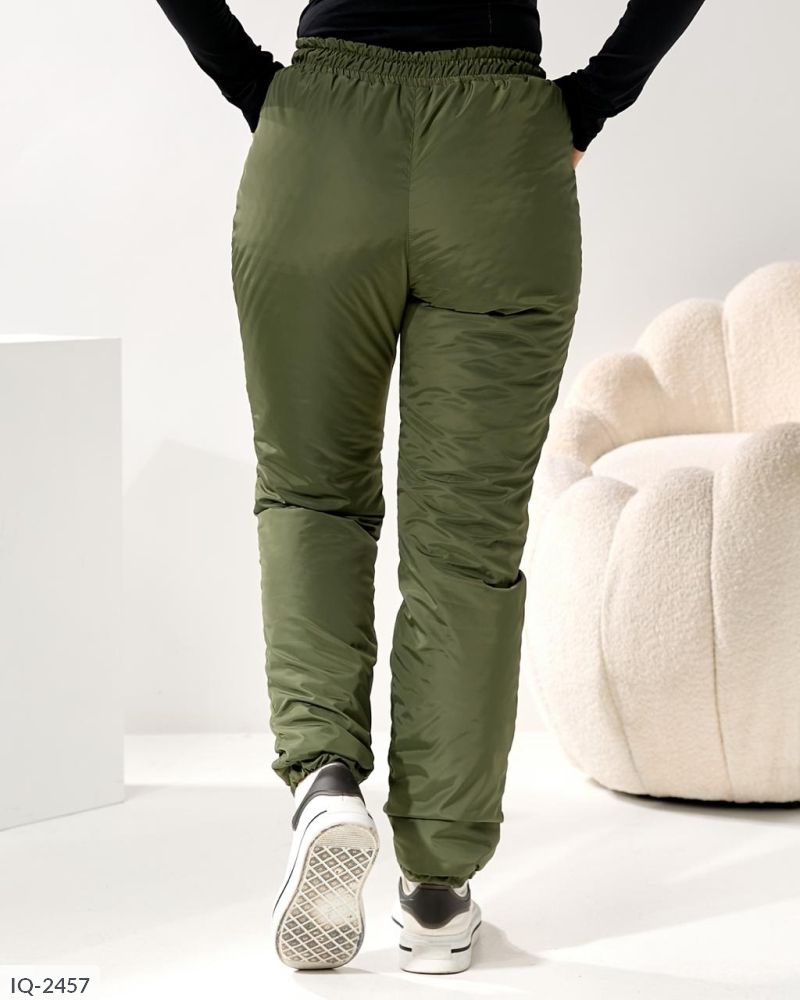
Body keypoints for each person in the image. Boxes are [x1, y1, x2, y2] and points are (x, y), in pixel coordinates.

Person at [155, 0, 707, 976]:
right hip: (499, 159)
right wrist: (590, 102)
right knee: (466, 541)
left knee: (311, 496)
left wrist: (251, 85)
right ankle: (437, 892)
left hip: (319, 147)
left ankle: (325, 777)